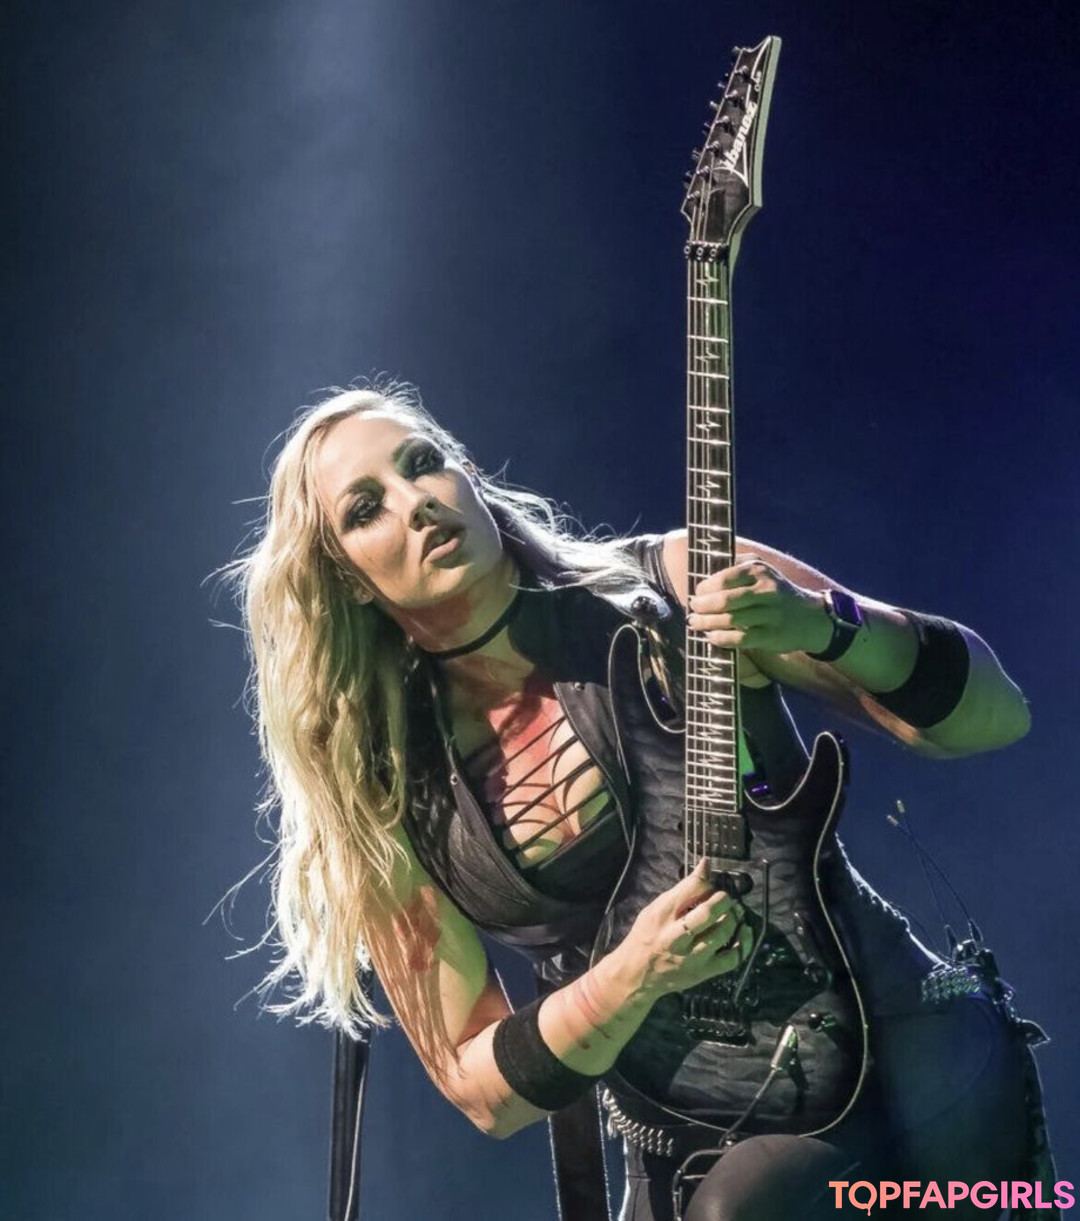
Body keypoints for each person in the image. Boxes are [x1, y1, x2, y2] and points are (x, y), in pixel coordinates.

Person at [235, 383, 1037, 1220]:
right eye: (367, 508)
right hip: (680, 1140)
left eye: (423, 463)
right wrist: (632, 975)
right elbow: (479, 1088)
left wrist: (822, 624)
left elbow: (997, 715)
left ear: (467, 471)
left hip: (905, 1074)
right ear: (347, 579)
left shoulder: (673, 583)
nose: (417, 503)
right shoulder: (388, 790)